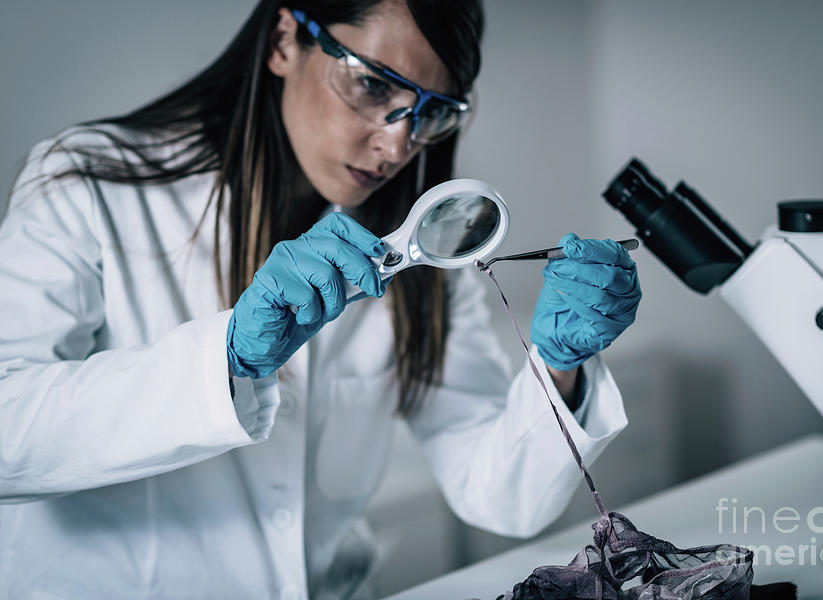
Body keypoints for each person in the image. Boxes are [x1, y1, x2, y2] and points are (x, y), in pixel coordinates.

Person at [0, 1, 641, 598]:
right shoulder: (87, 183)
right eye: (373, 85)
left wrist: (559, 363)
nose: (397, 146)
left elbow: (500, 495)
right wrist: (223, 361)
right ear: (285, 40)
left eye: (432, 112)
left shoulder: (421, 250)